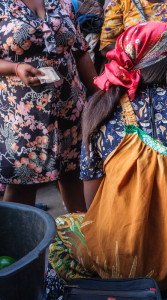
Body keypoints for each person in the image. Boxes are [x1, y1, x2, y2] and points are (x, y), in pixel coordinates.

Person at [46, 22, 167, 297]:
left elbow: (93, 206)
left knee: (58, 231)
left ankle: (116, 290)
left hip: (121, 259)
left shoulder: (103, 113)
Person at [0, 0, 98, 212]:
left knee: (74, 174)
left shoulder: (62, 3)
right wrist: (15, 68)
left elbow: (79, 51)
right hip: (24, 116)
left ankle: (80, 240)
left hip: (71, 107)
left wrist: (100, 95)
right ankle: (18, 243)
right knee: (23, 183)